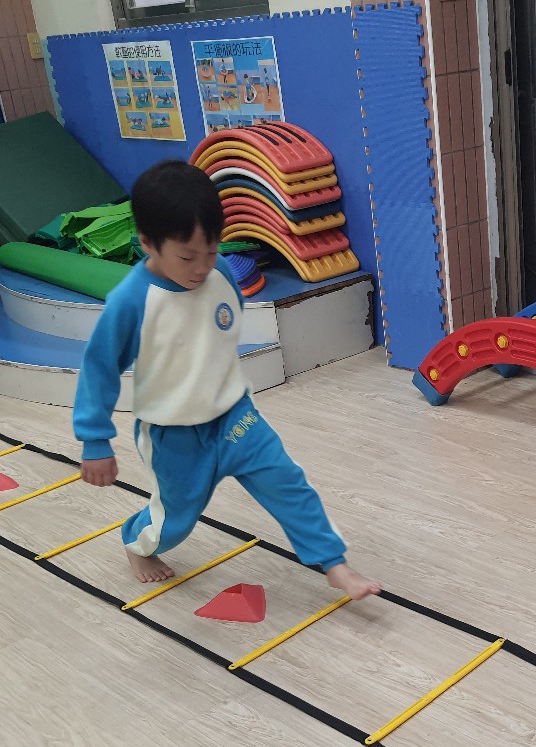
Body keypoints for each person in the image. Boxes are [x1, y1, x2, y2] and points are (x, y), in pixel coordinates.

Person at [73, 160, 381, 600]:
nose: (202, 267)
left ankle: (335, 564)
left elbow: (218, 328)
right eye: (187, 256)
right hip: (175, 436)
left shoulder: (221, 275)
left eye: (211, 251)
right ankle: (136, 544)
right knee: (175, 521)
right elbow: (99, 366)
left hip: (235, 416)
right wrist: (94, 440)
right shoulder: (131, 302)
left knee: (287, 482)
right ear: (147, 243)